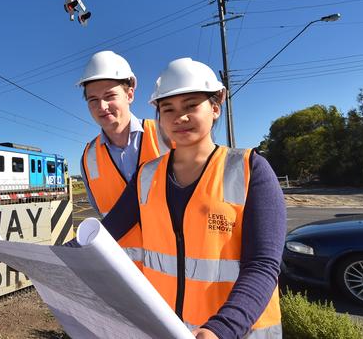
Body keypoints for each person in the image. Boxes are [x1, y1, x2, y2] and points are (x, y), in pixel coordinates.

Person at [102, 57, 285, 338]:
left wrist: (221, 328)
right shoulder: (146, 176)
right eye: (168, 109)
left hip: (235, 331)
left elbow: (263, 264)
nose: (180, 117)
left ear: (214, 107)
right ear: (159, 118)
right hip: (169, 329)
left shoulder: (250, 169)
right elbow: (106, 232)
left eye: (191, 106)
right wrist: (41, 259)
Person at [78, 51, 171, 268]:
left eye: (110, 96)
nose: (102, 106)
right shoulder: (88, 157)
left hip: (176, 276)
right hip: (126, 277)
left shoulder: (167, 136)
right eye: (93, 100)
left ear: (129, 95)